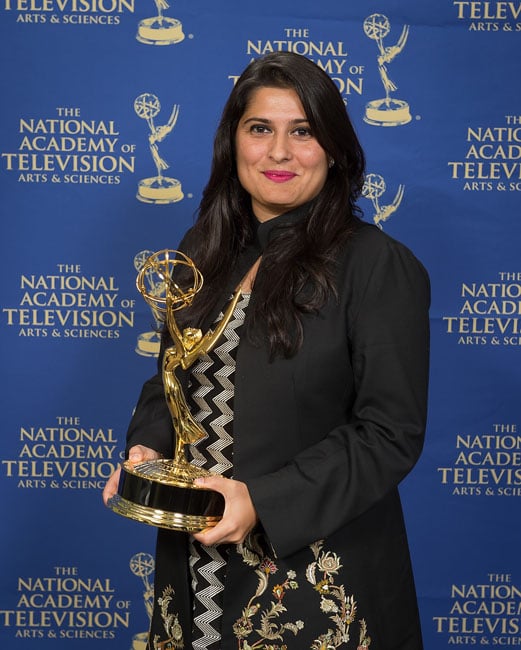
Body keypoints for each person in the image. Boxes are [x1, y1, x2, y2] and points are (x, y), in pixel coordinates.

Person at [103, 51, 430, 650]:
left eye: (302, 132)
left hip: (315, 586)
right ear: (234, 143)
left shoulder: (376, 265)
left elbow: (390, 432)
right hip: (193, 574)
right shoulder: (203, 250)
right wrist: (147, 445)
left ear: (333, 148)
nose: (279, 153)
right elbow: (169, 377)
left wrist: (259, 501)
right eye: (261, 129)